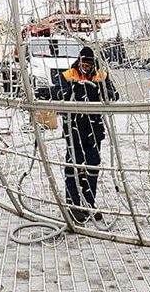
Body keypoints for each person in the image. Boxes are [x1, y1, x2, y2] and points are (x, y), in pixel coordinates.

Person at [51, 45, 119, 224]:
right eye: (83, 63)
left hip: (94, 130)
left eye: (88, 64)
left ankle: (89, 203)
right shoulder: (67, 75)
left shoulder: (101, 76)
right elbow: (57, 94)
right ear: (78, 61)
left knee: (92, 167)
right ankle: (73, 205)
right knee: (73, 167)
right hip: (74, 130)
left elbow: (113, 95)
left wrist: (97, 91)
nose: (85, 67)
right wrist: (76, 91)